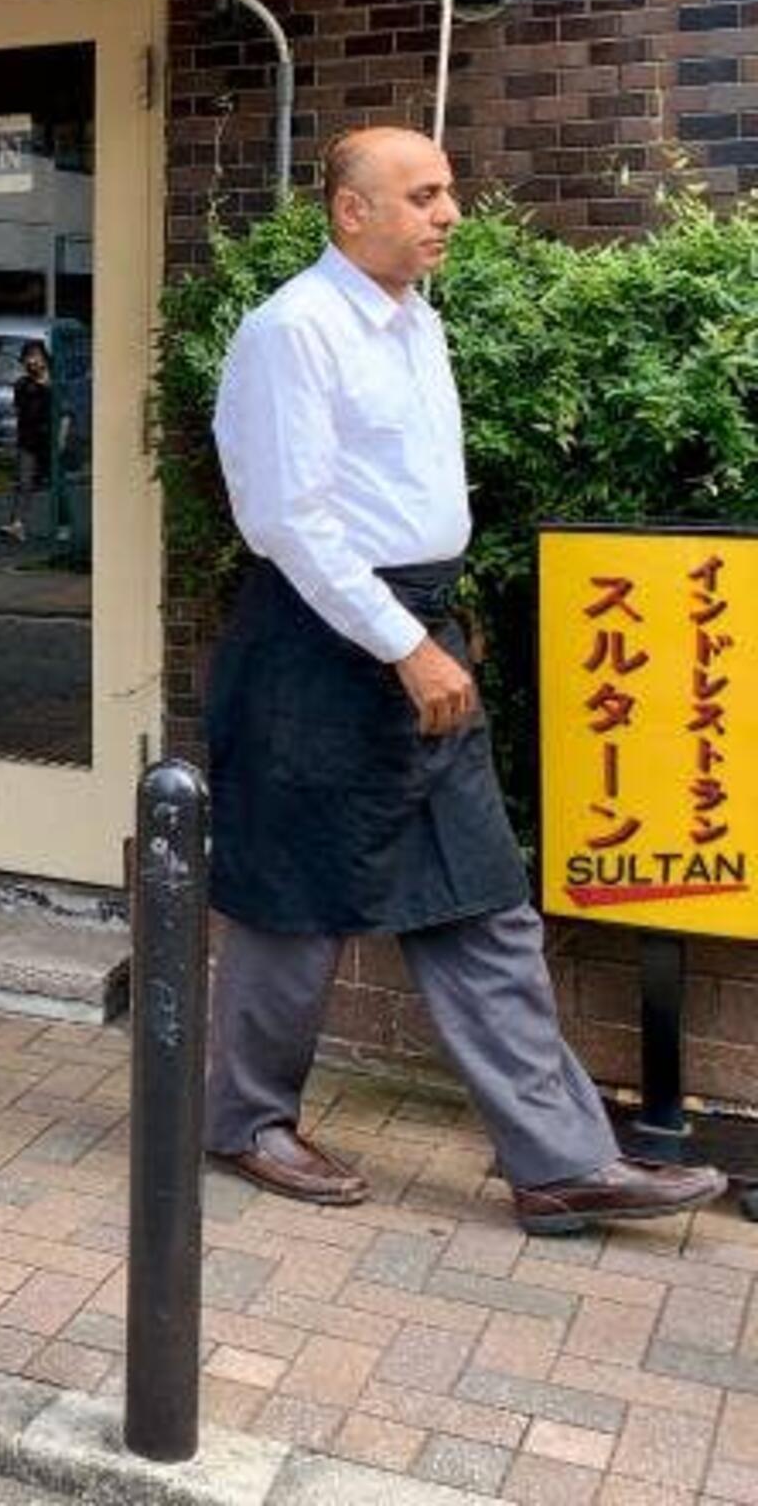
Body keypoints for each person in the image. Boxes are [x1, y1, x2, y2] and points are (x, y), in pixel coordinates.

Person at [203, 125, 724, 1235]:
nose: (448, 212)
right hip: (321, 641)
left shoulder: (415, 323)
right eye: (423, 193)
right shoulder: (290, 330)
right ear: (351, 211)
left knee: (481, 897)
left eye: (448, 191)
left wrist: (436, 626)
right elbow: (286, 516)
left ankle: (559, 1160)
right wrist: (403, 638)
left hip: (416, 630)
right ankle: (247, 1121)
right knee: (290, 896)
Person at [0, 339, 52, 542]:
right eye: (28, 357)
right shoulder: (22, 384)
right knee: (24, 482)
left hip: (51, 440)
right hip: (28, 441)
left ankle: (65, 524)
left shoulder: (56, 383)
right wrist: (40, 385)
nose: (32, 361)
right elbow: (23, 407)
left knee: (58, 483)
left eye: (36, 356)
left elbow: (64, 410)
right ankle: (17, 524)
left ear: (45, 359)